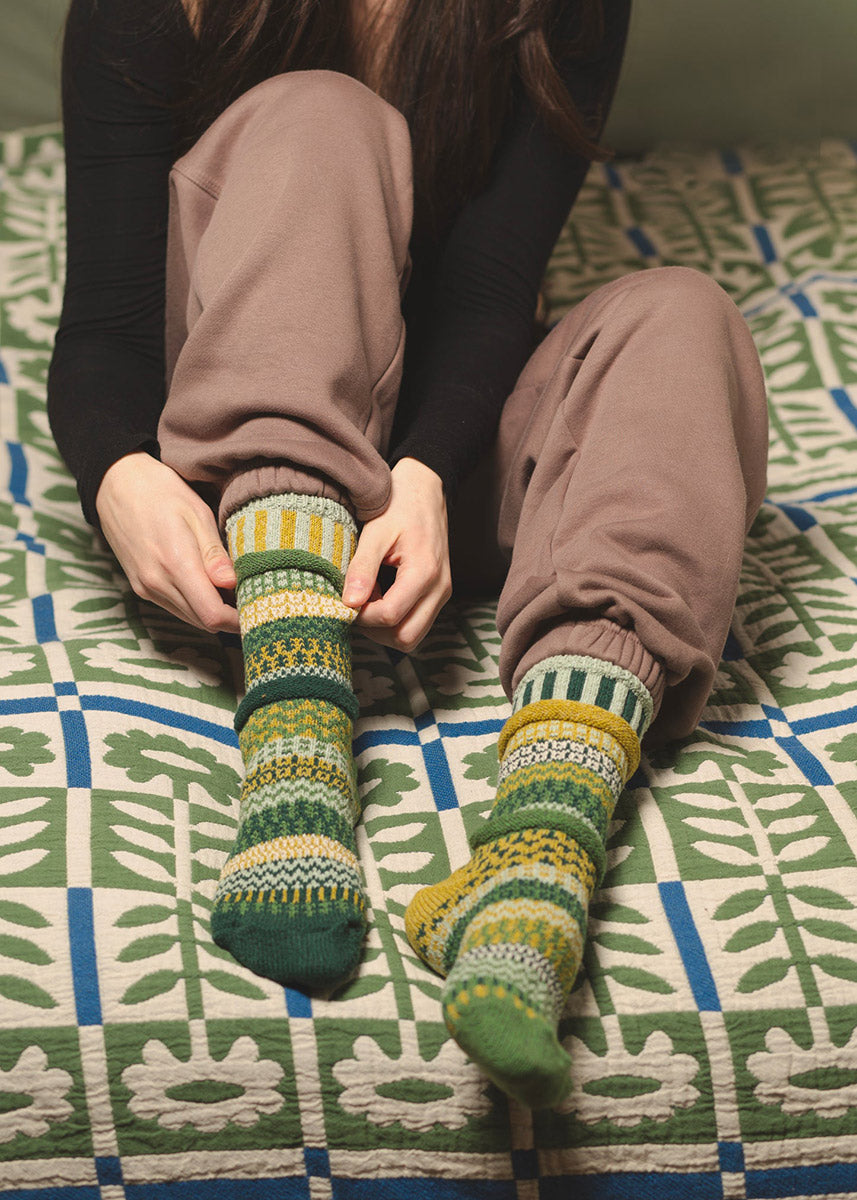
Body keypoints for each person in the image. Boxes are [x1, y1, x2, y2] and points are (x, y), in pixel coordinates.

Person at [48, 0, 768, 1109]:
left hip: (430, 466)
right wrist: (118, 476)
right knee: (320, 116)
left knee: (683, 319)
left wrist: (427, 470)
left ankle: (536, 853)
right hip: (236, 437)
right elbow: (99, 325)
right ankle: (296, 748)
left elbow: (487, 284)